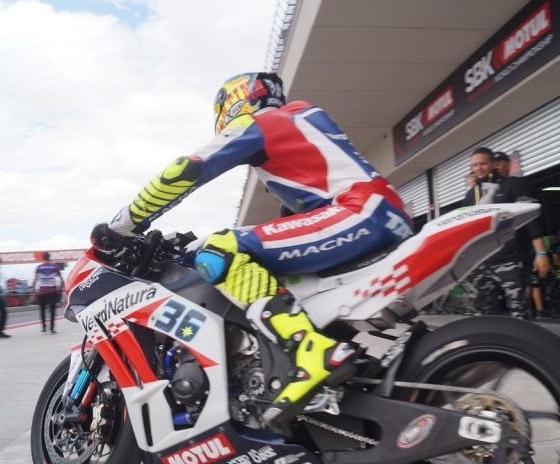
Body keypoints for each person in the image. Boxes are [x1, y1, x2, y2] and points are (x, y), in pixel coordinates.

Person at [103, 72, 413, 432]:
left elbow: (186, 170)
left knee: (219, 249)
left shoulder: (264, 122)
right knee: (273, 269)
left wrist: (123, 224)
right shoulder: (301, 120)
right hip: (382, 213)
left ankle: (309, 350)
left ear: (236, 102)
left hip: (357, 212)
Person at [463, 147, 550, 318]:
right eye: (475, 165)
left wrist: (541, 253)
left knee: (519, 312)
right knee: (477, 315)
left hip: (507, 260)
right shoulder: (470, 196)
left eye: (483, 163)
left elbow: (530, 219)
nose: (479, 168)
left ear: (494, 164)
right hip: (479, 263)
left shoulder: (513, 185)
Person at [32, 251, 64, 334]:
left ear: (43, 257)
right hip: (52, 291)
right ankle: (52, 329)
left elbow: (35, 280)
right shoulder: (55, 267)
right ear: (49, 257)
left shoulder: (39, 267)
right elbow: (61, 280)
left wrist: (33, 291)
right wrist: (60, 289)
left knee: (42, 310)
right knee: (52, 311)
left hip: (42, 292)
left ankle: (43, 328)